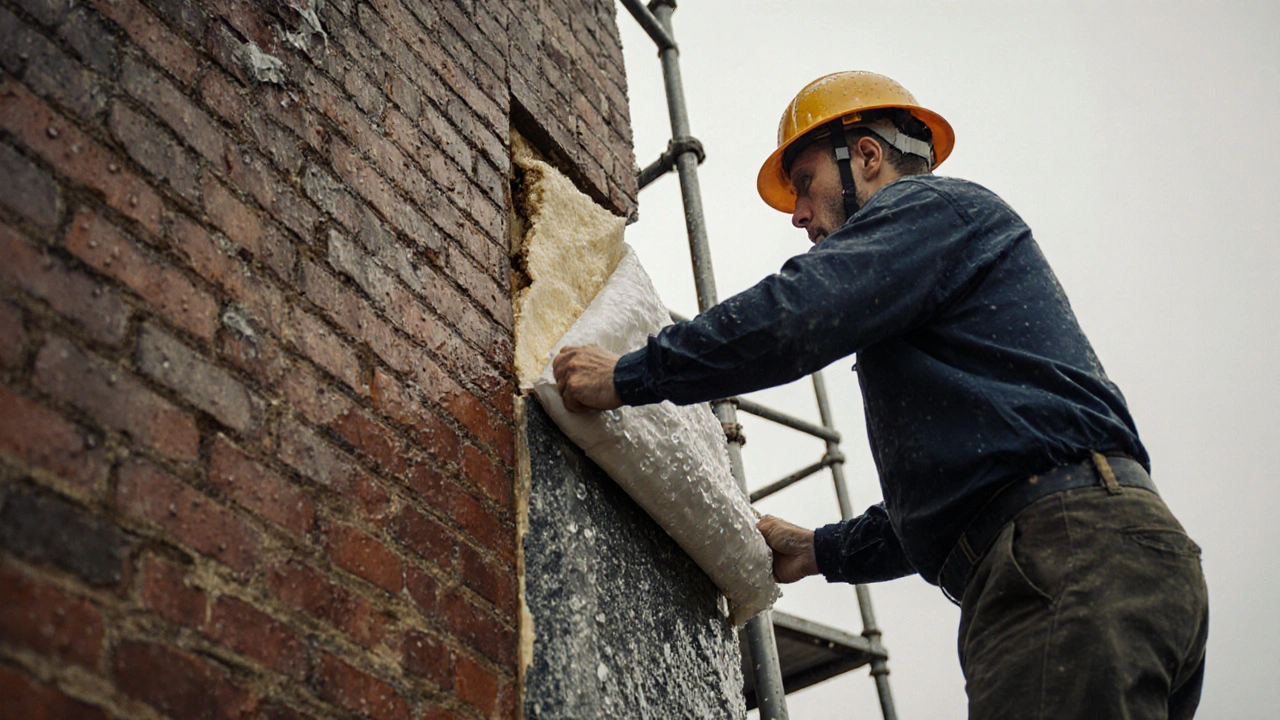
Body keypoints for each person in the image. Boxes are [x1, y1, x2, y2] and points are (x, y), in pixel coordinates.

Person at [552, 71, 1208, 719]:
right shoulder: (944, 257)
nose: (800, 215)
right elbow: (972, 488)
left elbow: (796, 316)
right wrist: (821, 549)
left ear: (866, 156)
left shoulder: (929, 211)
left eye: (804, 184)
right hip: (1099, 557)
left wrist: (629, 375)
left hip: (1065, 558)